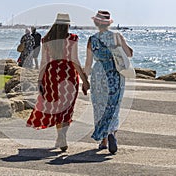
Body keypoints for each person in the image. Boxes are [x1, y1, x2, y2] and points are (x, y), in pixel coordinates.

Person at [26, 13, 90, 151]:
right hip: (69, 75)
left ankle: (60, 137)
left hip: (52, 76)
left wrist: (39, 80)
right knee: (67, 108)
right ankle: (62, 136)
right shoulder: (72, 38)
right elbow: (75, 60)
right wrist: (84, 80)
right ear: (67, 24)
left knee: (58, 107)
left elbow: (44, 62)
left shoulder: (47, 39)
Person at [83, 10, 133, 154]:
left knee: (100, 106)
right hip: (115, 74)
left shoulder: (92, 39)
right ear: (108, 23)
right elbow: (129, 53)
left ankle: (103, 141)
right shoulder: (117, 36)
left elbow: (88, 64)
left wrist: (84, 80)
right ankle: (112, 134)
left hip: (99, 74)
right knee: (114, 105)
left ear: (96, 23)